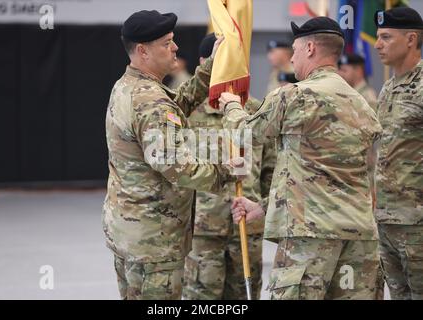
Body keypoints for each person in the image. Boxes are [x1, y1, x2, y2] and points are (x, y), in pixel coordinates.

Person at [219, 17, 383, 299]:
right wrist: (263, 207)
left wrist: (232, 106)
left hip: (309, 237)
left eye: (294, 50)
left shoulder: (295, 96)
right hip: (360, 238)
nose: (291, 58)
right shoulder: (362, 104)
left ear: (309, 48)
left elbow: (245, 134)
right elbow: (329, 176)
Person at [102, 10, 231, 300]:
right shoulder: (150, 101)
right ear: (143, 51)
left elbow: (176, 106)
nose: (175, 48)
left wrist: (208, 70)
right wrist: (225, 171)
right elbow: (176, 167)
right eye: (167, 43)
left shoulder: (130, 87)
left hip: (132, 230)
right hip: (155, 240)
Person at [182, 33, 275, 300]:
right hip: (203, 230)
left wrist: (265, 209)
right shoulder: (188, 114)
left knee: (244, 296)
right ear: (205, 63)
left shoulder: (256, 111)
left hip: (247, 226)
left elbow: (270, 167)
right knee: (202, 297)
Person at [373, 7, 423, 300]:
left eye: (386, 37)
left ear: (411, 39)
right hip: (388, 220)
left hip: (417, 221)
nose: (378, 44)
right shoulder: (389, 87)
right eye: (378, 37)